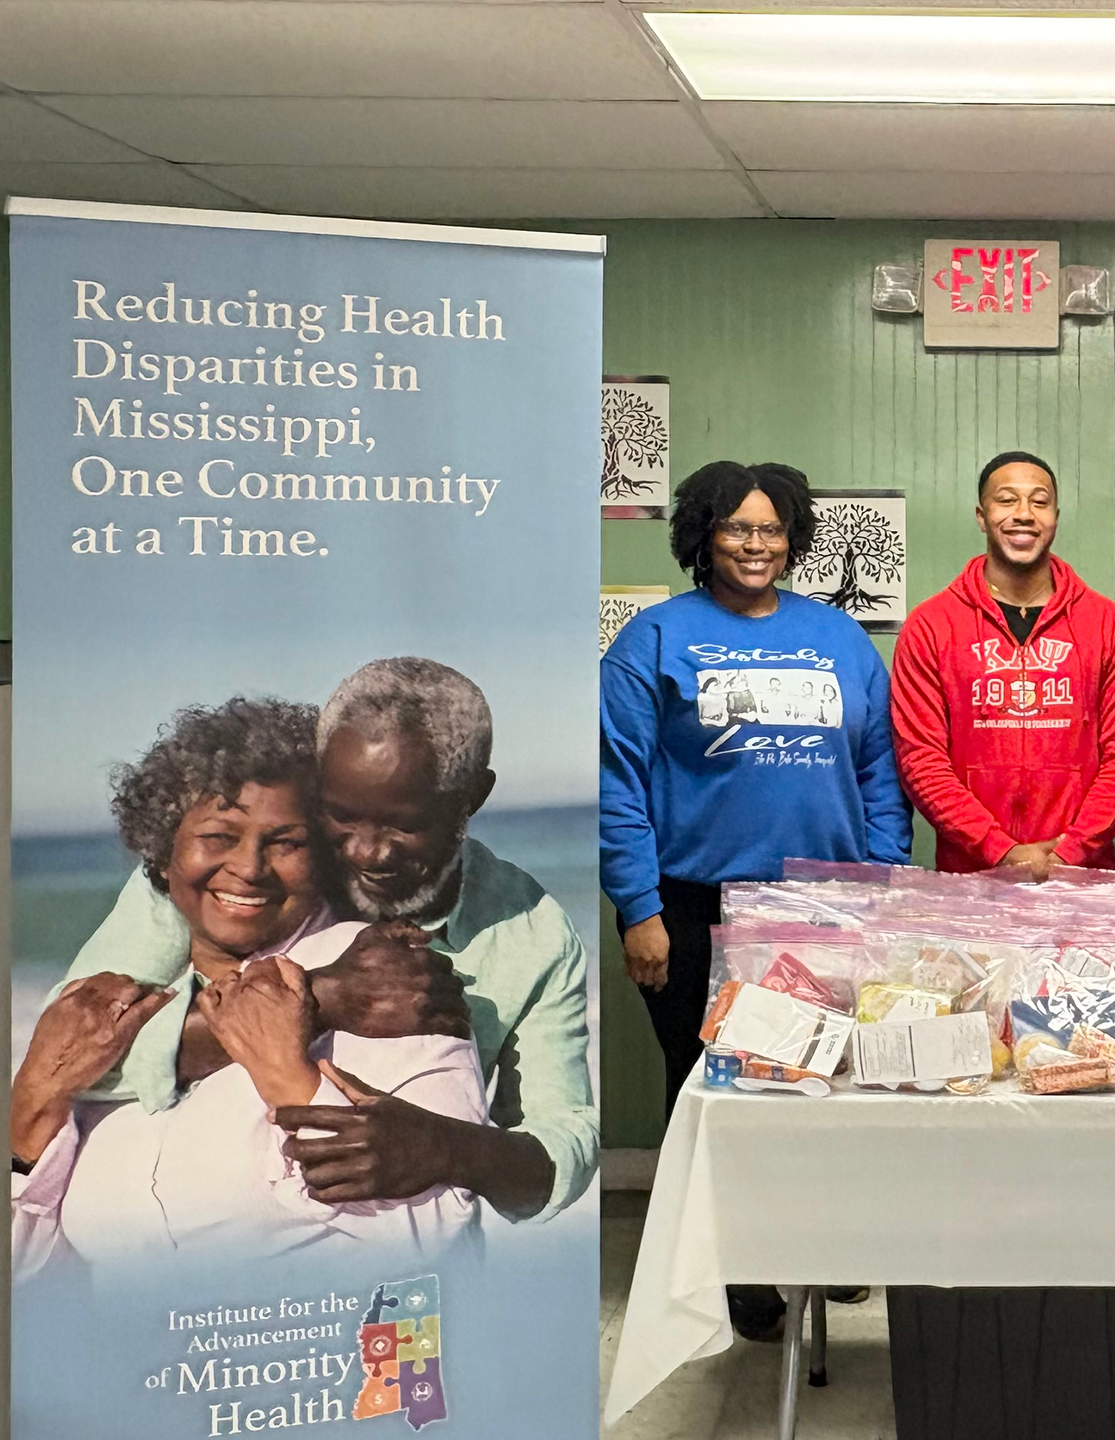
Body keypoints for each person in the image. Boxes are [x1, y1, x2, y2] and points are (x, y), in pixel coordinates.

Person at [57, 660, 598, 1226]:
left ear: (472, 796)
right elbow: (67, 1054)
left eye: (404, 825)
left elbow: (563, 1139)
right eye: (341, 816)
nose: (368, 852)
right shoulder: (233, 876)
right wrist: (322, 999)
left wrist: (447, 1149)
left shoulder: (531, 933)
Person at [600, 460, 913, 1341]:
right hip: (697, 907)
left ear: (793, 537)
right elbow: (617, 782)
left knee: (825, 1087)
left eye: (771, 529)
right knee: (716, 1093)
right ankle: (735, 1267)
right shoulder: (655, 640)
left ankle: (822, 1246)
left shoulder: (840, 638)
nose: (756, 545)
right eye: (737, 528)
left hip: (826, 906)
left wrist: (881, 879)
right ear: (702, 534)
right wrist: (637, 907)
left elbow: (878, 769)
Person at [12, 699, 486, 1275]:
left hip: (318, 1352)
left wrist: (292, 1082)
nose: (249, 867)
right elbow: (33, 1269)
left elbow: (435, 1231)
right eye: (218, 835)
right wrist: (31, 1110)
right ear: (161, 857)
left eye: (285, 842)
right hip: (146, 1359)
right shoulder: (108, 1016)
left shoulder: (379, 976)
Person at [890, 450, 1115, 878]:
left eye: (1039, 501)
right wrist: (1001, 851)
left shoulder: (1108, 624)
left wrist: (1070, 853)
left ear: (1056, 515)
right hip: (971, 879)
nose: (1024, 514)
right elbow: (921, 758)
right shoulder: (931, 626)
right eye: (1007, 500)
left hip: (1082, 879)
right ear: (981, 515)